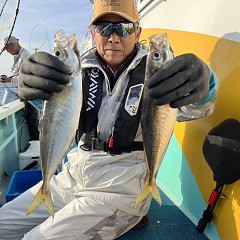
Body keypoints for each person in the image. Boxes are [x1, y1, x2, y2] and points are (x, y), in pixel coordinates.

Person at [0, 0, 219, 239]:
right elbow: (54, 115)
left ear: (137, 33)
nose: (113, 37)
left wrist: (205, 86)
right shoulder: (77, 70)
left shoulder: (157, 72)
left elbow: (195, 110)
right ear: (93, 33)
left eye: (123, 28)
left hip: (120, 189)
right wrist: (31, 88)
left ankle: (135, 212)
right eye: (104, 27)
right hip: (68, 179)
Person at [0, 36, 39, 141]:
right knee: (30, 120)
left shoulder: (25, 56)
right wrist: (9, 79)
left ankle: (35, 144)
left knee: (32, 120)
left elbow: (29, 78)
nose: (7, 52)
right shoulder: (19, 56)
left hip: (30, 93)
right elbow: (19, 75)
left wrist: (9, 80)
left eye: (7, 49)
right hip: (25, 92)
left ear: (13, 45)